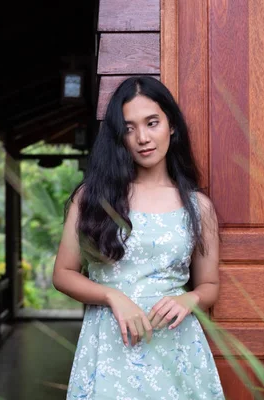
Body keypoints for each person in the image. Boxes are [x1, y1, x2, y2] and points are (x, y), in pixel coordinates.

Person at [52, 76, 224, 399]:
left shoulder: (198, 207)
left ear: (171, 125)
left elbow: (210, 286)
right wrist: (112, 296)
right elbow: (62, 274)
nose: (142, 137)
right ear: (119, 137)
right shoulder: (92, 198)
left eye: (152, 122)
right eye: (129, 128)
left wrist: (188, 299)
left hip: (176, 347)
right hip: (109, 346)